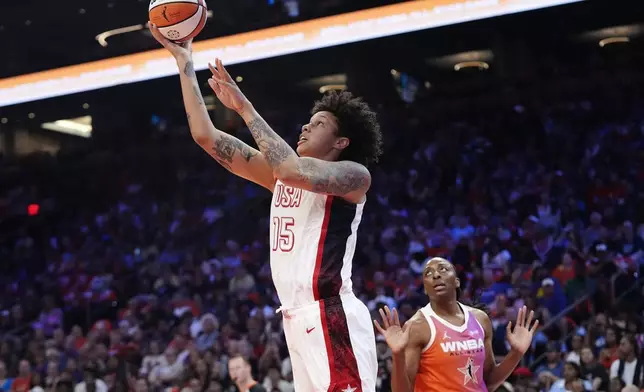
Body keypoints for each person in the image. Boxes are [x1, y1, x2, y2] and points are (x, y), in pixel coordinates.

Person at [150, 24, 383, 392]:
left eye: (319, 124)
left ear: (341, 141)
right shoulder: (281, 179)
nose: (306, 126)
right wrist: (184, 61)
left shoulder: (354, 177)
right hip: (295, 318)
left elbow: (289, 167)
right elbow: (205, 136)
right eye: (308, 120)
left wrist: (244, 107)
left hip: (331, 314)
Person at [374, 257, 538, 391]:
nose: (436, 275)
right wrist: (397, 354)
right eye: (428, 273)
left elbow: (488, 381)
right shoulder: (418, 326)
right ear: (425, 288)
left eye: (443, 269)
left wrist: (516, 353)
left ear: (457, 281)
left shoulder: (480, 319)